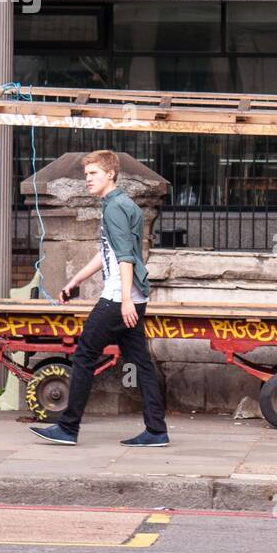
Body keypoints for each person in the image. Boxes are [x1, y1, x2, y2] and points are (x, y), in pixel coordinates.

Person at [31, 149, 170, 447]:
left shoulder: (115, 208)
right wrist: (76, 280)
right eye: (86, 175)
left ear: (111, 174)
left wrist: (125, 301)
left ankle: (68, 428)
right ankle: (156, 430)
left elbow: (125, 258)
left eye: (93, 174)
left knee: (83, 356)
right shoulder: (122, 205)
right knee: (141, 363)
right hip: (129, 296)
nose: (87, 180)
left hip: (118, 298)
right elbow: (107, 252)